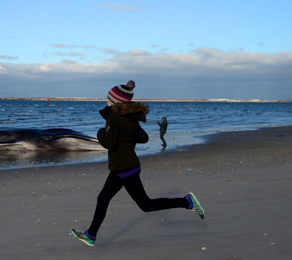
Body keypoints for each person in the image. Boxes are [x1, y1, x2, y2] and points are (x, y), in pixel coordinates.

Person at [70, 80, 205, 247]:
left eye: (108, 99)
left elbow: (109, 143)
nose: (106, 101)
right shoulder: (128, 118)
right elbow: (143, 138)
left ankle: (188, 202)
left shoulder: (115, 119)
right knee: (103, 198)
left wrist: (100, 132)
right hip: (125, 167)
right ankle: (91, 235)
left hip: (125, 168)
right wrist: (126, 136)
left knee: (146, 205)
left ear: (115, 102)